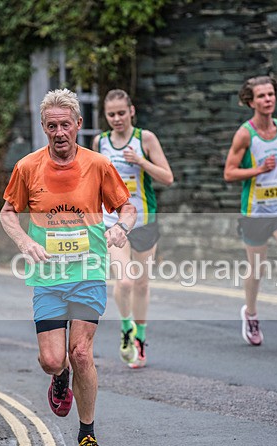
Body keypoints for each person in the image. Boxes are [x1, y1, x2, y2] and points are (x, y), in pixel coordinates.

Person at [0, 88, 137, 446]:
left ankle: (87, 435)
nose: (59, 132)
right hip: (47, 276)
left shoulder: (97, 165)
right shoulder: (28, 167)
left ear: (78, 124)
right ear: (44, 128)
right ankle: (58, 378)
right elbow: (7, 212)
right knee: (52, 358)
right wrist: (26, 242)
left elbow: (126, 207)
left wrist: (120, 229)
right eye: (51, 126)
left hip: (88, 272)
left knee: (81, 352)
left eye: (65, 124)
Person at [223, 75, 277, 348]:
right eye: (262, 96)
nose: (268, 99)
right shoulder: (244, 134)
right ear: (250, 101)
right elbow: (229, 172)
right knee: (257, 269)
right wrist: (258, 170)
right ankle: (250, 314)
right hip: (255, 211)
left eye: (271, 94)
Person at [92, 89, 174, 369]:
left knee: (141, 284)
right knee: (124, 281)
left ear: (132, 111)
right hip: (112, 224)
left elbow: (168, 177)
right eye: (111, 114)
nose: (116, 119)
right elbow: (92, 183)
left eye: (121, 113)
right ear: (106, 116)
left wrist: (140, 161)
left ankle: (140, 336)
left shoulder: (145, 139)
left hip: (144, 221)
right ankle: (126, 329)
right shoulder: (100, 142)